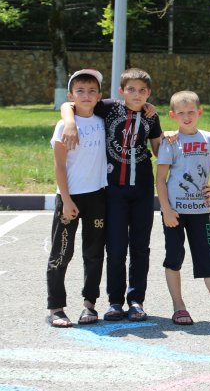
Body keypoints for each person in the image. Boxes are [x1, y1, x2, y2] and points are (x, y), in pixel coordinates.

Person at [60, 68, 162, 322]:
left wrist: (168, 137)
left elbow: (160, 150)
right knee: (115, 247)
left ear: (148, 93)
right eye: (131, 89)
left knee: (140, 247)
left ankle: (136, 300)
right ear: (121, 91)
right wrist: (70, 123)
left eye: (142, 91)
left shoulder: (151, 117)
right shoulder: (109, 108)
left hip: (142, 189)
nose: (136, 95)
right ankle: (115, 301)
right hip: (114, 191)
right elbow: (68, 104)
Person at [156, 91, 210, 329]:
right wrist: (166, 209)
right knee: (174, 257)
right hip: (174, 212)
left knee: (207, 258)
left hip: (200, 212)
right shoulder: (170, 141)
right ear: (173, 115)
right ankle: (178, 306)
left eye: (191, 112)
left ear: (199, 112)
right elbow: (161, 178)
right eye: (181, 113)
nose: (186, 117)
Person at [46, 69, 107, 327]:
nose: (86, 95)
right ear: (71, 96)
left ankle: (89, 305)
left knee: (94, 253)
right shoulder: (64, 125)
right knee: (62, 252)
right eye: (80, 91)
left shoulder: (103, 120)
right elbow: (60, 166)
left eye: (92, 91)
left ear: (99, 96)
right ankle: (55, 307)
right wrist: (67, 200)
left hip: (97, 197)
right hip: (69, 198)